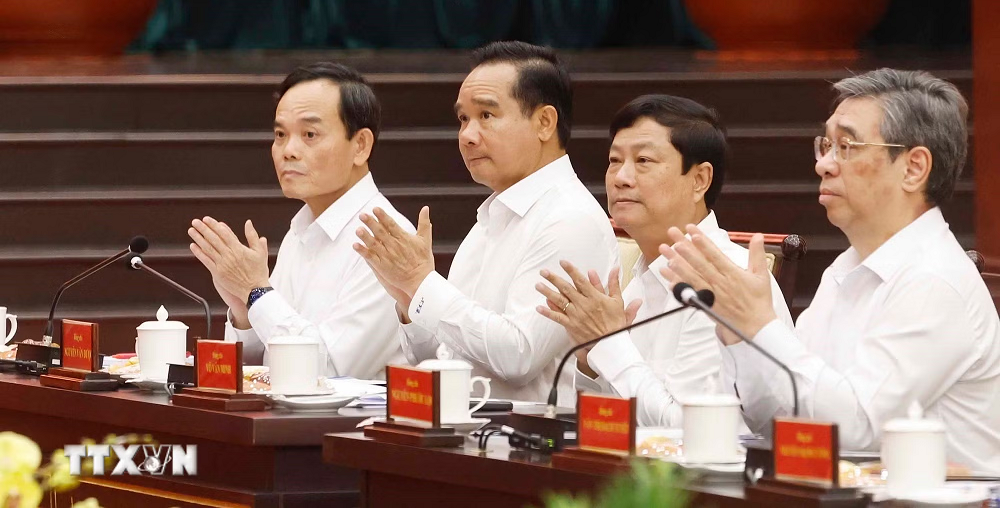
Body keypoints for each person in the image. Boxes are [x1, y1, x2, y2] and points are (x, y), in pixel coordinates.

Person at [661, 69, 1000, 473]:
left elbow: (855, 432)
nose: (824, 164)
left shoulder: (934, 280)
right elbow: (781, 421)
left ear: (913, 168)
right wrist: (737, 332)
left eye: (846, 146)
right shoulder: (845, 269)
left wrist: (760, 324)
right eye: (825, 145)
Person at [353, 41, 619, 404]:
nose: (467, 135)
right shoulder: (492, 215)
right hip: (465, 422)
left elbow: (519, 357)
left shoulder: (570, 218)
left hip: (527, 435)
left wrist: (422, 284)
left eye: (487, 115)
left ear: (544, 122)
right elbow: (441, 358)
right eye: (463, 119)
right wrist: (409, 299)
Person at [535, 94, 792, 426]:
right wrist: (589, 361)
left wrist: (610, 344)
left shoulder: (724, 282)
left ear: (699, 180)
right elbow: (607, 422)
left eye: (643, 160)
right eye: (614, 160)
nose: (621, 177)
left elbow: (690, 430)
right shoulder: (636, 279)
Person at [187, 62, 413, 379]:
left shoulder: (386, 238)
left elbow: (327, 372)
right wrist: (244, 312)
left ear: (360, 145)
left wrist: (256, 292)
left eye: (309, 134)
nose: (288, 150)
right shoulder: (301, 229)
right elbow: (262, 367)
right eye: (280, 134)